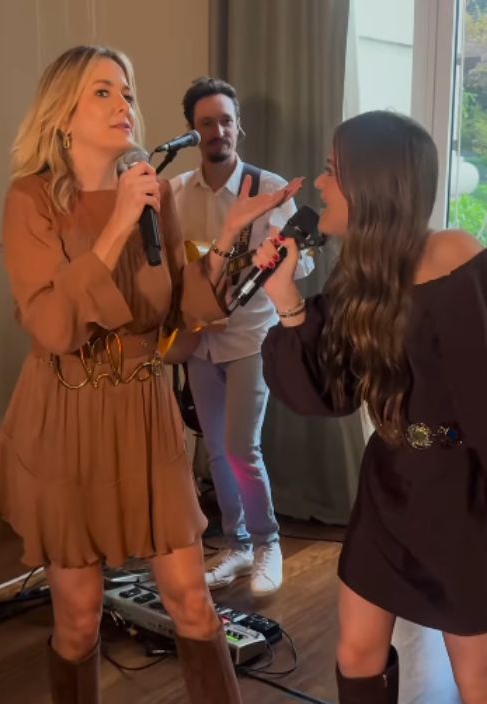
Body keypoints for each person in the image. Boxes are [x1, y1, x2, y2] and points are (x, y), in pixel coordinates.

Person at [0, 46, 296, 704]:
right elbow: (52, 325)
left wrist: (229, 241)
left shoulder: (153, 194)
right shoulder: (31, 200)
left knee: (192, 601)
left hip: (144, 412)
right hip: (66, 414)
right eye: (102, 91)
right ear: (62, 112)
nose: (124, 103)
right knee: (79, 617)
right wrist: (118, 222)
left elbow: (181, 317)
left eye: (126, 90)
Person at [253, 110, 487, 704]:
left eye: (333, 169)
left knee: (481, 680)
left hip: (457, 495)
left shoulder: (455, 255)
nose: (320, 182)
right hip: (387, 483)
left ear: (372, 181)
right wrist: (286, 299)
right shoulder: (359, 276)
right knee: (355, 650)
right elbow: (325, 393)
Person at [169, 77, 313, 597]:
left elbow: (304, 261)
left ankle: (268, 543)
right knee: (215, 448)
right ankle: (236, 545)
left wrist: (279, 257)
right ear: (193, 131)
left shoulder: (267, 188)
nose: (218, 130)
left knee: (239, 447)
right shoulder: (175, 192)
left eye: (226, 120)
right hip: (198, 340)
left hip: (252, 337)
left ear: (239, 126)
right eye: (206, 123)